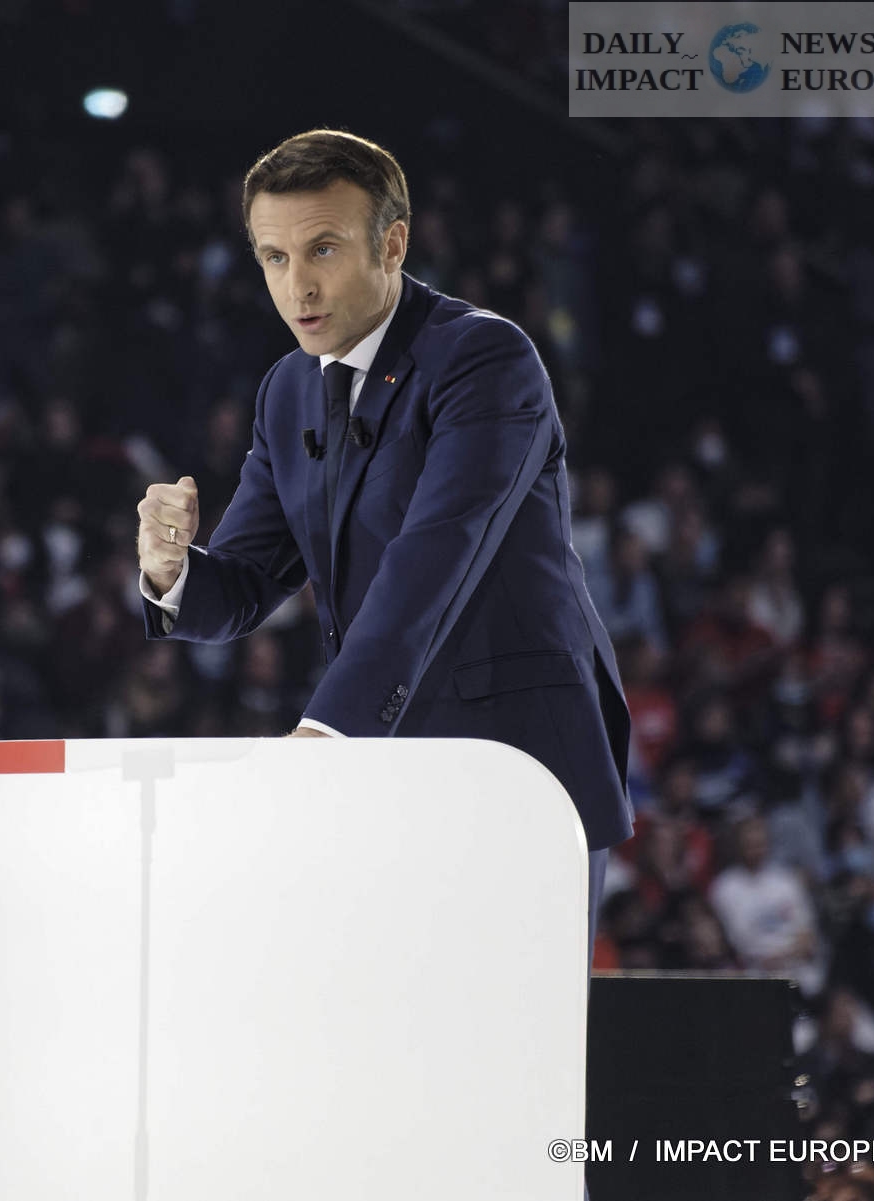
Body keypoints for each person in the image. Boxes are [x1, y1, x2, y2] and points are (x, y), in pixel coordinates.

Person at [134, 129, 633, 956]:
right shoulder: (287, 390)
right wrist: (171, 571)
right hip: (385, 774)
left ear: (393, 243)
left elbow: (433, 559)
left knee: (505, 1031)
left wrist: (326, 736)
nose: (297, 285)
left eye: (323, 249)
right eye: (274, 257)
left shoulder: (484, 358)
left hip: (518, 769)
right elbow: (248, 582)